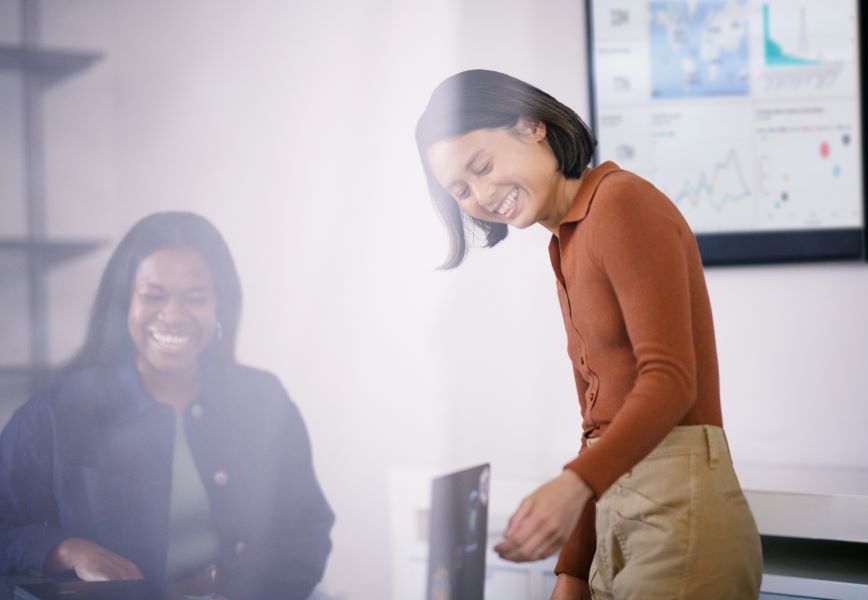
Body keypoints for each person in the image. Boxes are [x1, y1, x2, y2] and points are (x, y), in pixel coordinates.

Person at [416, 70, 762, 599]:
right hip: (618, 511)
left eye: (482, 165)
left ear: (532, 127)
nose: (482, 194)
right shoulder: (564, 243)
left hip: (679, 508)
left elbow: (671, 380)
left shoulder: (621, 203)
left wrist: (573, 486)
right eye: (461, 190)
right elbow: (598, 422)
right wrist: (572, 568)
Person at [0, 212, 334, 600]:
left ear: (219, 306)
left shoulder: (264, 399)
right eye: (153, 295)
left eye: (196, 298)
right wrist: (64, 549)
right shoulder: (59, 409)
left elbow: (304, 530)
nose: (174, 316)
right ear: (123, 302)